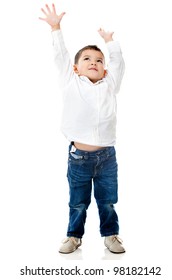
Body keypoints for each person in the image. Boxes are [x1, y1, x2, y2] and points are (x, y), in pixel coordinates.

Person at [39, 3, 125, 254]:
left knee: (107, 201)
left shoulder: (110, 84)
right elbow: (61, 56)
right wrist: (55, 27)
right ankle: (74, 236)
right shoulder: (70, 81)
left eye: (99, 60)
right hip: (79, 157)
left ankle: (111, 234)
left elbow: (118, 64)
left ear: (105, 70)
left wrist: (110, 43)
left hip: (107, 156)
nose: (94, 62)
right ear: (76, 68)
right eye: (87, 59)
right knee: (78, 202)